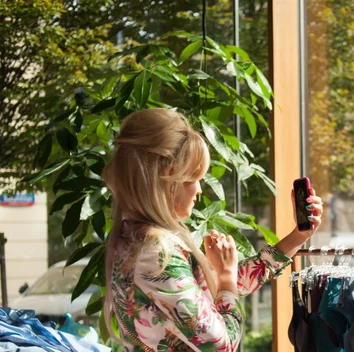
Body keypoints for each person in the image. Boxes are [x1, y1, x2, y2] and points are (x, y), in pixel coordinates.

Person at [101, 108, 323, 351]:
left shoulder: (133, 238)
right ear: (164, 181)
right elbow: (221, 344)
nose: (199, 190)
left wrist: (297, 236)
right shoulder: (156, 252)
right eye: (192, 179)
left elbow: (219, 294)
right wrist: (226, 276)